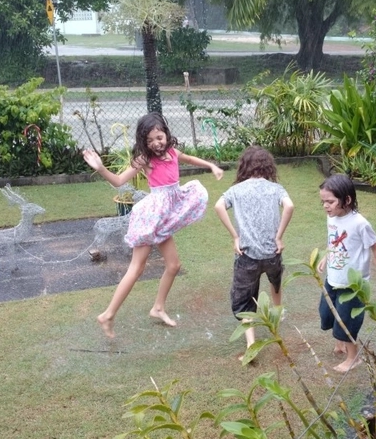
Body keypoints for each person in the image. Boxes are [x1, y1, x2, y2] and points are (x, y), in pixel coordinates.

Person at [82, 112, 224, 337]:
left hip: (164, 217)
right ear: (143, 143)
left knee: (174, 265)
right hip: (151, 217)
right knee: (137, 267)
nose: (156, 143)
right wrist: (100, 168)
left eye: (159, 137)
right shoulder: (145, 161)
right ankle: (107, 315)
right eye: (150, 140)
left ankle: (158, 308)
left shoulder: (172, 152)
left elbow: (189, 158)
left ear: (166, 134)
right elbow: (119, 181)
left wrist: (211, 166)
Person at [214, 146, 294, 362]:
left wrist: (235, 236)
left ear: (244, 167)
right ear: (267, 166)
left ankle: (251, 345)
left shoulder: (236, 190)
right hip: (272, 252)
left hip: (247, 255)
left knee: (244, 301)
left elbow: (218, 206)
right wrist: (279, 236)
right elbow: (289, 206)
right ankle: (277, 320)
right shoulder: (276, 188)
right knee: (275, 283)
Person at [317, 174, 376, 372]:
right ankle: (340, 343)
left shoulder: (360, 223)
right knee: (326, 313)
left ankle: (353, 357)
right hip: (333, 279)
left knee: (347, 321)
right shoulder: (331, 217)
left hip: (353, 284)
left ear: (347, 199)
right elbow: (332, 240)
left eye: (330, 201)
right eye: (323, 201)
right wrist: (326, 256)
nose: (326, 206)